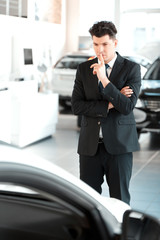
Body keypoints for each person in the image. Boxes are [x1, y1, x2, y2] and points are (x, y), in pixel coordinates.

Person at [71, 21, 141, 205]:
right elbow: (77, 106)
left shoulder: (131, 69)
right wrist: (110, 105)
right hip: (89, 146)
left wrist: (103, 78)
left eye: (104, 44)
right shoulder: (83, 69)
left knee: (120, 200)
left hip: (119, 147)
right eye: (95, 44)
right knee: (88, 201)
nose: (99, 49)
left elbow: (127, 107)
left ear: (115, 43)